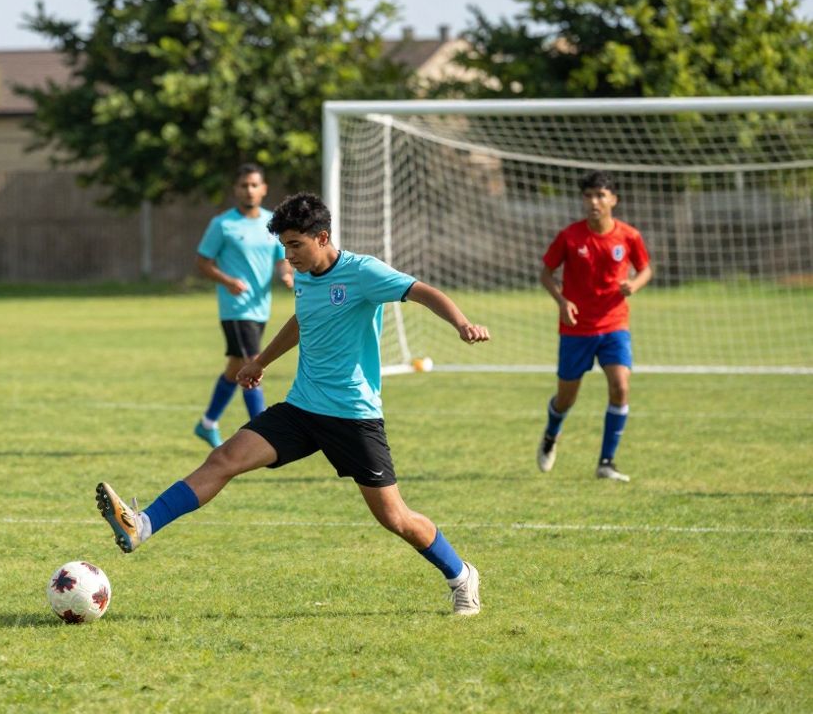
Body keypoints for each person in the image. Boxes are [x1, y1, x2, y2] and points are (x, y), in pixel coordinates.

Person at [97, 192, 489, 615]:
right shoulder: (303, 274)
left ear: (322, 237)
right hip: (302, 408)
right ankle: (142, 526)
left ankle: (460, 574)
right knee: (224, 457)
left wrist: (462, 323)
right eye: (284, 246)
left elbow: (422, 291)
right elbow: (304, 320)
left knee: (395, 518)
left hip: (353, 417)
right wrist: (260, 360)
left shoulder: (363, 272)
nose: (289, 255)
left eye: (296, 245)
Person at [536, 171, 652, 482]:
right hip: (576, 329)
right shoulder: (570, 236)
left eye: (600, 195)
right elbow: (546, 273)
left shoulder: (629, 236)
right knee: (566, 399)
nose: (594, 202)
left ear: (613, 199)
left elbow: (645, 269)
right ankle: (551, 433)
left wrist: (635, 285)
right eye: (588, 196)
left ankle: (606, 462)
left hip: (614, 324)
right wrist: (562, 301)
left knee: (621, 386)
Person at [192, 163, 293, 448]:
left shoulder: (272, 222)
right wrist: (226, 281)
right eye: (243, 185)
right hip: (236, 309)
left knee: (236, 366)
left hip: (261, 307)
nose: (248, 190)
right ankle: (263, 434)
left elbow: (281, 257)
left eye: (254, 185)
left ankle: (207, 423)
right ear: (235, 190)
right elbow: (202, 261)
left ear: (264, 189)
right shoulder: (222, 224)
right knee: (253, 363)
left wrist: (286, 273)